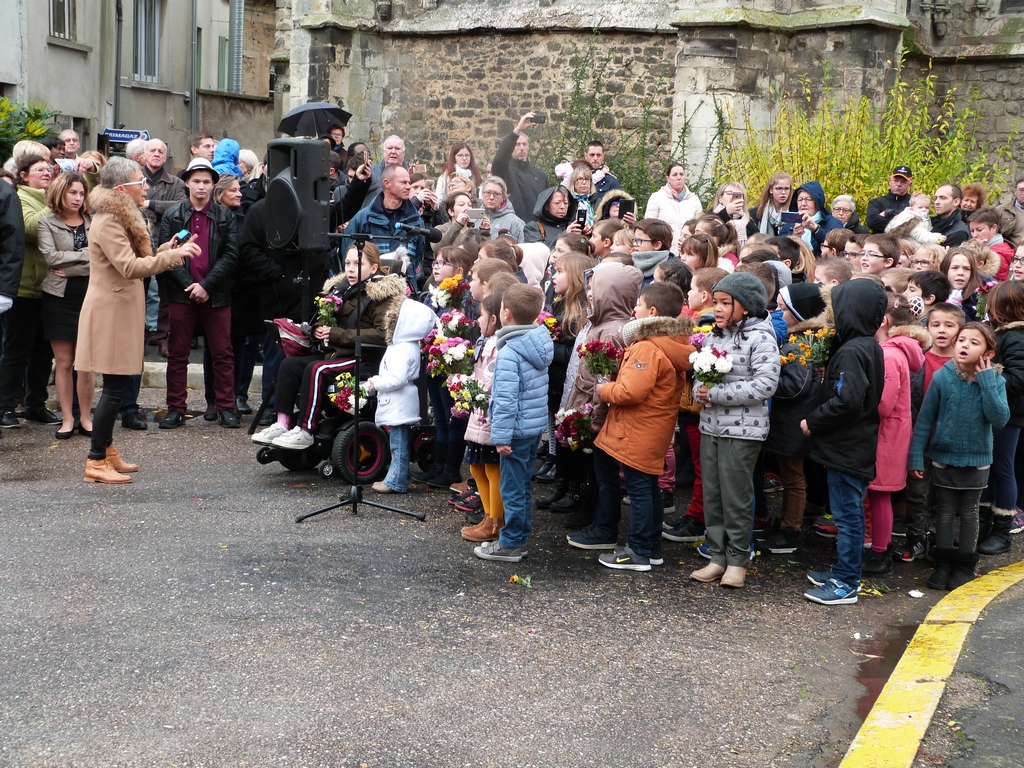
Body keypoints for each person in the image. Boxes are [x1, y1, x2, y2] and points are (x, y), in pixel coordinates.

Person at [75, 157, 191, 483]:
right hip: (111, 314)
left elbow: (139, 261)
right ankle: (95, 460)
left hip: (119, 311)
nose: (147, 187)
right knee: (114, 388)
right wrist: (172, 257)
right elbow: (129, 268)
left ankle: (106, 452)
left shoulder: (117, 216)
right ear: (122, 189)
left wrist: (167, 248)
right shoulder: (109, 221)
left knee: (118, 385)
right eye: (141, 182)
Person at [566, 282, 691, 570]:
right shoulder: (668, 344)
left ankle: (639, 551)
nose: (634, 310)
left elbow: (629, 392)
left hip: (639, 429)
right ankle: (651, 548)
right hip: (651, 429)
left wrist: (603, 389)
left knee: (640, 491)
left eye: (639, 305)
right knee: (647, 488)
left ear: (653, 312)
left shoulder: (649, 347)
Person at [252, 243, 407, 449]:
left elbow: (382, 335)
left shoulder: (382, 296)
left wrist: (335, 334)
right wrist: (317, 330)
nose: (350, 269)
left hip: (363, 358)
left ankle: (306, 430)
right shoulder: (340, 289)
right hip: (337, 353)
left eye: (357, 264)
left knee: (317, 370)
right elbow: (328, 325)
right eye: (347, 263)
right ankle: (282, 423)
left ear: (373, 268)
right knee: (289, 365)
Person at [687, 272, 779, 588]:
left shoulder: (761, 337)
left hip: (743, 430)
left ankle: (738, 560)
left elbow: (766, 384)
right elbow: (700, 372)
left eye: (727, 303)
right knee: (712, 493)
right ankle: (717, 556)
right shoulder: (714, 334)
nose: (720, 309)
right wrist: (701, 386)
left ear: (747, 306)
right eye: (717, 302)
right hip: (711, 425)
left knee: (736, 496)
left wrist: (716, 393)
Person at [800, 279, 887, 605]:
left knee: (848, 518)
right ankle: (841, 570)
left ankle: (846, 582)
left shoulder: (853, 350)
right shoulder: (865, 345)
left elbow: (848, 400)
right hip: (852, 445)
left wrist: (814, 420)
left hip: (848, 448)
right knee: (846, 514)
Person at [910, 322, 1009, 589]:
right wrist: (916, 456)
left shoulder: (996, 380)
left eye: (974, 342)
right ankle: (942, 564)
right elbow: (925, 419)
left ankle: (965, 565)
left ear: (988, 353)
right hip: (943, 458)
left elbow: (999, 419)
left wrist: (987, 382)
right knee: (944, 512)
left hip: (977, 463)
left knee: (969, 513)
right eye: (962, 340)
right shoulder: (943, 377)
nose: (965, 345)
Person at [157, 158, 239, 429]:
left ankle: (226, 406)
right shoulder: (174, 216)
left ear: (213, 184)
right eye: (196, 181)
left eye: (206, 181)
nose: (201, 187)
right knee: (178, 352)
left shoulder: (225, 216)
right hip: (182, 294)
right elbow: (166, 255)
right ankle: (175, 408)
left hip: (217, 294)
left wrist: (207, 285)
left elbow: (231, 255)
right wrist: (190, 285)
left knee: (222, 352)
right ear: (187, 183)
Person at [473, 284, 553, 563]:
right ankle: (519, 534)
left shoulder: (510, 351)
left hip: (515, 431)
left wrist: (501, 436)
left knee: (511, 488)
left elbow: (506, 399)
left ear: (505, 313)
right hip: (531, 428)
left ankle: (511, 543)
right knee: (521, 484)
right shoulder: (538, 340)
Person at [862, 293, 929, 576]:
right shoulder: (901, 350)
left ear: (884, 321)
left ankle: (879, 552)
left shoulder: (889, 354)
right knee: (879, 496)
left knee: (879, 496)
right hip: (893, 434)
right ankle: (880, 545)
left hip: (886, 436)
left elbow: (884, 404)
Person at [764, 283, 830, 554]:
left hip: (794, 421)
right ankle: (784, 522)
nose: (778, 313)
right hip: (789, 422)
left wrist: (766, 382)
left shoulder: (802, 344)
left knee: (793, 478)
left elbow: (795, 386)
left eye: (783, 308)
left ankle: (791, 529)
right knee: (790, 475)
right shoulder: (802, 339)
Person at [0, 155, 58, 429]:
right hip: (22, 289)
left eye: (49, 169)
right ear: (23, 176)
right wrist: (55, 204)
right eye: (39, 170)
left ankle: (36, 404)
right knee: (15, 352)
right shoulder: (18, 198)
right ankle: (5, 407)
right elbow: (31, 228)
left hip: (48, 289)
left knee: (44, 353)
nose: (47, 173)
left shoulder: (46, 199)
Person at [37, 172, 94, 438]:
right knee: (64, 361)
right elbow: (50, 258)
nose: (78, 198)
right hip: (58, 299)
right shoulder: (46, 223)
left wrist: (71, 267)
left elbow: (101, 258)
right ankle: (68, 419)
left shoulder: (94, 222)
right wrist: (84, 256)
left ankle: (86, 417)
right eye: (73, 192)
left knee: (86, 363)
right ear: (61, 193)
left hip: (90, 295)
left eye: (81, 193)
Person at [537, 252, 595, 510]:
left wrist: (550, 346)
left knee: (572, 437)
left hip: (570, 382)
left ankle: (574, 489)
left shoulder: (581, 311)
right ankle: (560, 485)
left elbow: (577, 353)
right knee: (559, 435)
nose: (553, 275)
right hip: (555, 381)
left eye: (559, 271)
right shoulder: (558, 304)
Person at [364, 298, 437, 495]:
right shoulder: (402, 345)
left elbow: (397, 378)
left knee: (398, 444)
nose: (387, 318)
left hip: (399, 402)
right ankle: (398, 476)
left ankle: (396, 480)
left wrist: (376, 382)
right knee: (398, 442)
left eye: (392, 317)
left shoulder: (403, 349)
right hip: (399, 402)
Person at [203, 174, 260, 416]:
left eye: (240, 189)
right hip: (218, 288)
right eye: (233, 190)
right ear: (219, 193)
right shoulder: (211, 218)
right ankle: (213, 399)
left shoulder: (246, 217)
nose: (239, 194)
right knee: (213, 347)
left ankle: (238, 394)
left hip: (244, 290)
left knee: (242, 345)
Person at [978, 281, 1024, 556]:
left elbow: (1019, 379)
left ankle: (1001, 531)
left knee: (1002, 469)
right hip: (1000, 411)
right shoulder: (1005, 335)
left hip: (1009, 414)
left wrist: (986, 375)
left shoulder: (1016, 337)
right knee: (989, 468)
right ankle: (983, 527)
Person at [460, 292, 505, 541]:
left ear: (495, 319)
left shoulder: (497, 344)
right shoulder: (486, 341)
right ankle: (488, 515)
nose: (477, 320)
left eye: (482, 315)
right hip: (479, 414)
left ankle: (495, 521)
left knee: (491, 467)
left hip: (488, 413)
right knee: (476, 465)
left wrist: (467, 386)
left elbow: (490, 380)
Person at [344, 164, 427, 278]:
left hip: (405, 290)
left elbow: (416, 258)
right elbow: (348, 256)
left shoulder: (417, 222)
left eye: (409, 182)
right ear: (387, 183)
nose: (408, 186)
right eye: (403, 182)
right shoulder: (362, 219)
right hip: (370, 291)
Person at [491, 113, 549, 225]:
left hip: (536, 228)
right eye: (517, 144)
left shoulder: (540, 175)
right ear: (511, 147)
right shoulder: (505, 171)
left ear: (528, 146)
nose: (522, 148)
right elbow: (499, 160)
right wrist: (517, 130)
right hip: (511, 225)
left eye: (524, 144)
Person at [644, 163, 703, 248]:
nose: (679, 178)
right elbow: (649, 227)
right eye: (675, 175)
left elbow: (698, 229)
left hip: (687, 249)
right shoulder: (657, 198)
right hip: (664, 249)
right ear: (668, 178)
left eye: (681, 174)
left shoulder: (694, 200)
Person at [790, 182, 843, 257]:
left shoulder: (834, 223)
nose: (803, 203)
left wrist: (816, 229)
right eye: (800, 200)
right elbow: (782, 251)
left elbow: (836, 250)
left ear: (817, 202)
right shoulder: (790, 223)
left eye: (808, 199)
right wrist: (795, 237)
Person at [967, 206, 1014, 280]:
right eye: (972, 231)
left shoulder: (999, 255)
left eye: (979, 230)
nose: (974, 235)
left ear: (994, 228)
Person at [362, 134, 408, 208]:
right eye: (389, 148)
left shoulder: (410, 175)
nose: (393, 151)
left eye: (397, 148)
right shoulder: (371, 173)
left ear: (404, 152)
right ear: (384, 151)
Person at [866, 165, 914, 233]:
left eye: (903, 182)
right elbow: (872, 222)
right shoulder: (876, 202)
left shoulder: (914, 202)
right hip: (880, 241)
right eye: (895, 180)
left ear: (910, 184)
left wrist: (888, 213)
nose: (898, 184)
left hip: (904, 243)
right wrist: (903, 224)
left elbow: (916, 223)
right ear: (890, 181)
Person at [630, 218, 675, 288]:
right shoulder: (629, 264)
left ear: (657, 245)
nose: (635, 244)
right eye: (634, 240)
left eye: (639, 241)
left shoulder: (671, 273)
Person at [479, 176, 525, 242]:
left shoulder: (516, 223)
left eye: (496, 194)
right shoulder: (475, 219)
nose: (491, 197)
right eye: (488, 193)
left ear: (503, 197)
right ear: (482, 194)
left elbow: (522, 250)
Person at [931, 183, 971, 248]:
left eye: (943, 198)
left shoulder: (959, 233)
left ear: (956, 202)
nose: (936, 202)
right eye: (936, 198)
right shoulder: (931, 223)